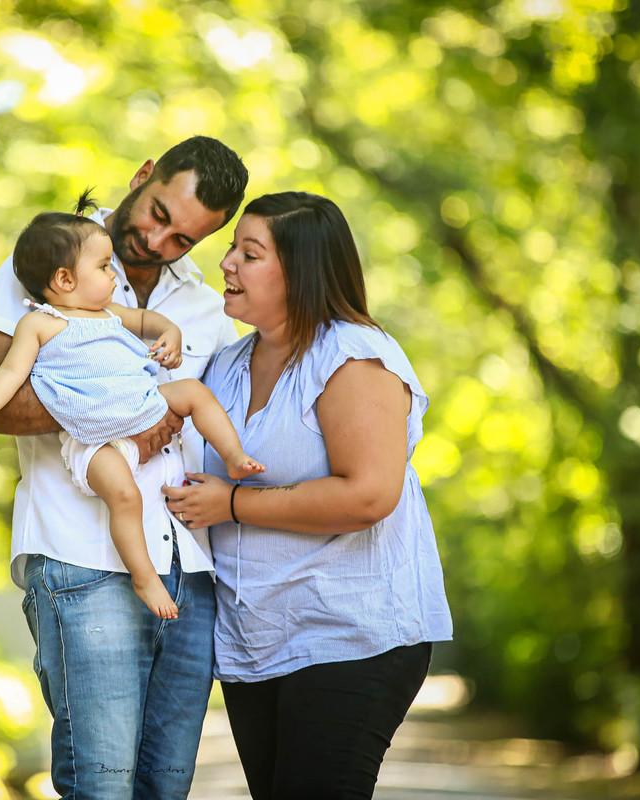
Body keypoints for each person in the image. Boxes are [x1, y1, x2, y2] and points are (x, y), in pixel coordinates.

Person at [0, 136, 249, 799]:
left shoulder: (202, 305)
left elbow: (215, 413)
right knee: (102, 789)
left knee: (164, 789)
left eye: (183, 239)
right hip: (83, 559)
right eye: (157, 214)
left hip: (189, 570)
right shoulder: (48, 265)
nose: (157, 240)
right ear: (143, 175)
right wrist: (122, 413)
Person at [163, 191, 453, 800]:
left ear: (301, 273)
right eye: (233, 248)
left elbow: (371, 495)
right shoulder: (229, 365)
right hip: (256, 643)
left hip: (351, 633)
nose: (227, 264)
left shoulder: (353, 357)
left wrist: (234, 504)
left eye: (251, 252)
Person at [0, 192, 264, 619]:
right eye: (103, 267)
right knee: (124, 496)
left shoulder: (108, 311)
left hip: (144, 404)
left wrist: (170, 333)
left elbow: (147, 322)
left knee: (194, 393)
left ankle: (234, 456)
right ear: (65, 280)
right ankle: (143, 577)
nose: (112, 274)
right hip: (95, 441)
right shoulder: (40, 323)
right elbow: (9, 375)